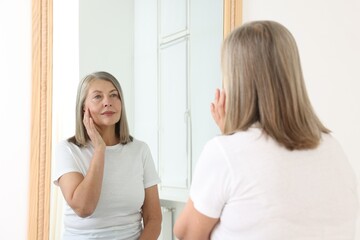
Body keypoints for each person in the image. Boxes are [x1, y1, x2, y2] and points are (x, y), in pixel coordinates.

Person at [174, 20, 359, 239]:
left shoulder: (225, 153)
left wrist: (231, 138)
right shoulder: (332, 148)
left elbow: (185, 234)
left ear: (236, 81)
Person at [53, 71, 162, 239]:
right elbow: (83, 208)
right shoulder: (67, 150)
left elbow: (153, 218)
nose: (108, 102)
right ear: (84, 107)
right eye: (97, 97)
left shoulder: (140, 150)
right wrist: (99, 150)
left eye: (114, 95)